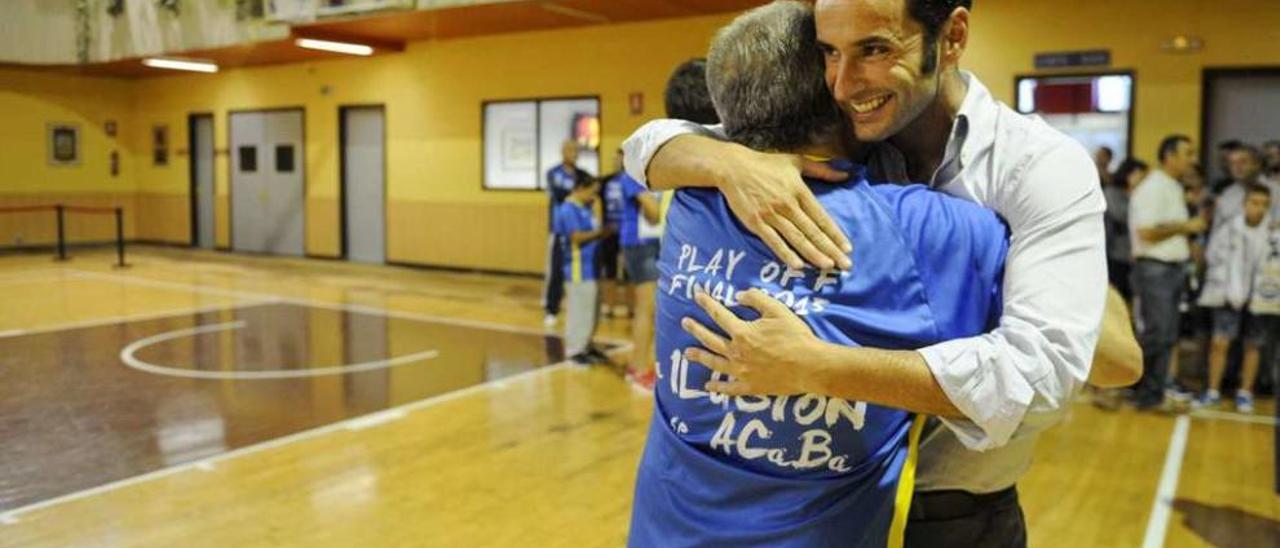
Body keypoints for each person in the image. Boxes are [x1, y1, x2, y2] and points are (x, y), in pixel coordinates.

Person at [622, 1, 1141, 544]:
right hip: (833, 503)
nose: (843, 83)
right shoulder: (842, 125)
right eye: (828, 53)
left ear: (953, 36)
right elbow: (644, 145)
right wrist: (724, 162)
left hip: (954, 508)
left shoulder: (1035, 167)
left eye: (874, 49)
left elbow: (1078, 365)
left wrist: (819, 367)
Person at [1128, 135, 1208, 409]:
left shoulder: (1173, 187)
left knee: (1166, 334)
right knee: (1157, 333)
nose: (1192, 159)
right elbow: (1146, 231)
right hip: (1155, 270)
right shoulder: (1153, 187)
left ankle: (1151, 393)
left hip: (1171, 270)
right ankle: (1138, 391)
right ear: (1169, 156)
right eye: (1187, 153)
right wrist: (1186, 227)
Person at [1196, 183, 1275, 413]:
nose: (1258, 208)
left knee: (1254, 345)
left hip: (1259, 298)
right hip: (1227, 295)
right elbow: (1212, 258)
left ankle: (1245, 392)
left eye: (1263, 204)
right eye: (1254, 203)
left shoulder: (1273, 234)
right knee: (1220, 342)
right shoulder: (1228, 229)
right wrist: (1228, 288)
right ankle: (1212, 390)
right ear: (1244, 204)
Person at [553, 176, 614, 365]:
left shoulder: (585, 208)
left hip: (591, 268)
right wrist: (600, 233)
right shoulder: (568, 209)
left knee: (592, 311)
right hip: (578, 269)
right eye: (592, 191)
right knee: (580, 311)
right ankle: (574, 350)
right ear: (580, 188)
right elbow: (576, 237)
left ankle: (587, 345)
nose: (593, 196)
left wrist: (598, 209)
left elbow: (595, 226)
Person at [543, 140, 594, 328]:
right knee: (555, 271)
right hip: (559, 230)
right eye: (569, 150)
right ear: (562, 152)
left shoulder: (583, 175)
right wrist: (578, 193)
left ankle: (578, 309)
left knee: (578, 273)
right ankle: (551, 309)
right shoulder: (553, 173)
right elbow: (558, 194)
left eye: (576, 150)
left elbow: (591, 193)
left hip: (580, 230)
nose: (573, 153)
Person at [1211, 144, 1280, 234]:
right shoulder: (1227, 194)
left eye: (1243, 162)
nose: (1237, 167)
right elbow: (1216, 232)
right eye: (1232, 163)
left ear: (1256, 164)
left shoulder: (1276, 192)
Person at [1105, 158, 1148, 302]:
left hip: (1135, 254)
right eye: (1140, 174)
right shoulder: (1112, 192)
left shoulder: (1139, 194)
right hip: (1116, 253)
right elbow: (1121, 215)